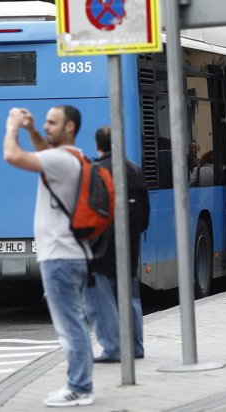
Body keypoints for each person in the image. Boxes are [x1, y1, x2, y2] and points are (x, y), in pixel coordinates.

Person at [3, 105, 94, 407]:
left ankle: (80, 388)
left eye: (52, 123)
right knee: (73, 322)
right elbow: (44, 154)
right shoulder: (70, 157)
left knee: (69, 326)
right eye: (45, 122)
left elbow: (12, 156)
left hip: (59, 257)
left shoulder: (59, 159)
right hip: (70, 254)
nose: (47, 126)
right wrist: (32, 131)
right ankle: (77, 384)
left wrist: (13, 126)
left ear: (69, 127)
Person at [84, 126, 149, 363]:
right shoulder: (134, 170)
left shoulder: (96, 171)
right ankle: (135, 346)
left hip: (101, 250)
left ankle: (113, 348)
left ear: (98, 146)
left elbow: (91, 213)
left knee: (102, 302)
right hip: (129, 245)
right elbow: (144, 215)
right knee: (130, 298)